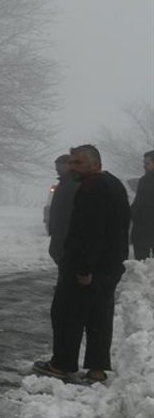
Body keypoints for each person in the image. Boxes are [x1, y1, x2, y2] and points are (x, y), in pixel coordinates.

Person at [33, 145, 131, 383]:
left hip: (87, 267)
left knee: (66, 313)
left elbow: (90, 232)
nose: (72, 167)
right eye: (72, 163)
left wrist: (83, 268)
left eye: (78, 163)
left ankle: (61, 364)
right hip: (111, 265)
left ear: (94, 163)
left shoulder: (91, 187)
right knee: (99, 315)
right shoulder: (114, 184)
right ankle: (97, 369)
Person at [47, 153, 79, 264]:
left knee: (64, 257)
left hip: (67, 231)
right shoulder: (63, 183)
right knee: (56, 253)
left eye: (59, 166)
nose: (57, 169)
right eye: (56, 167)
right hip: (59, 231)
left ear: (69, 165)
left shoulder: (74, 183)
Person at [131, 150, 154, 260]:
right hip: (144, 230)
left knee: (142, 267)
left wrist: (130, 215)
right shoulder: (145, 180)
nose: (144, 166)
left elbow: (140, 204)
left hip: (144, 231)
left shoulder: (146, 181)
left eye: (147, 163)